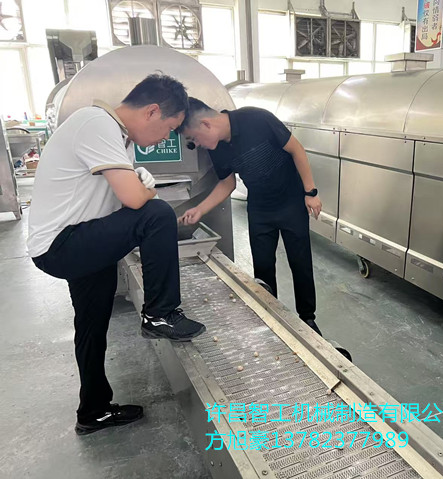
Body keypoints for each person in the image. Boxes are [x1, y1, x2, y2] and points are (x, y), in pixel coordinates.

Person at [27, 74, 206, 436]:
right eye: (168, 129)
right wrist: (145, 190)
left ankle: (92, 411)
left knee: (91, 325)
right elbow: (137, 201)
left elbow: (120, 198)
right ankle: (160, 314)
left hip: (80, 241)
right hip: (63, 244)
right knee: (157, 214)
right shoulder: (95, 123)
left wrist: (137, 181)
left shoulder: (116, 136)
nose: (165, 139)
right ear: (151, 111)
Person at [176, 98, 323, 335]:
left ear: (206, 124)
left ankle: (308, 319)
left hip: (292, 203)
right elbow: (228, 183)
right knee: (263, 267)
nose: (198, 145)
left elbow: (296, 149)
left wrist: (310, 192)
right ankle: (270, 316)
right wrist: (200, 209)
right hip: (260, 209)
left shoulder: (257, 119)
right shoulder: (218, 149)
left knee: (300, 263)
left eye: (194, 139)